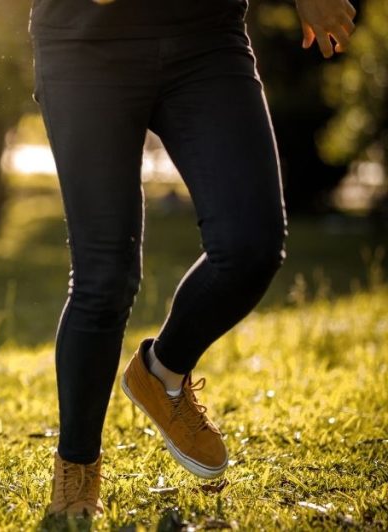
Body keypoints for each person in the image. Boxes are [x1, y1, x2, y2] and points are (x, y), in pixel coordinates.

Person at [28, 0, 357, 518]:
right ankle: (77, 466)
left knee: (252, 246)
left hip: (206, 37)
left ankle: (160, 373)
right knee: (105, 276)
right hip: (85, 47)